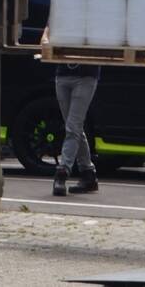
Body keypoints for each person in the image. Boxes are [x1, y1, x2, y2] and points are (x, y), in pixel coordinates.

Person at [44, 28, 100, 196]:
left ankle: (62, 172)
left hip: (86, 76)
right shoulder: (64, 11)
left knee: (72, 127)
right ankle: (88, 173)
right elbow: (48, 30)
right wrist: (46, 40)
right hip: (63, 74)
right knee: (74, 128)